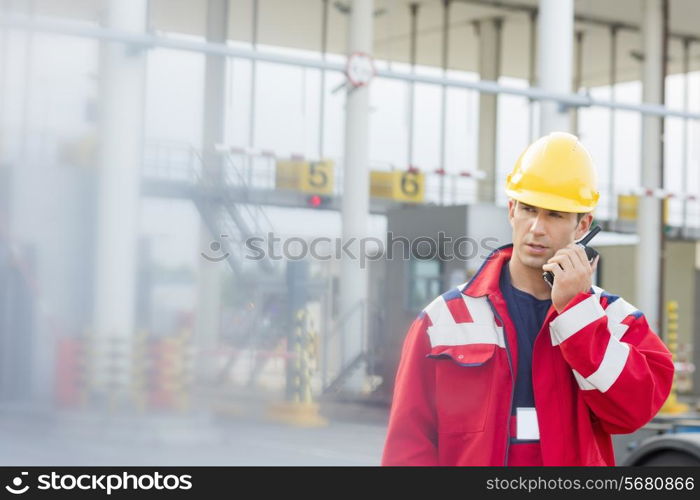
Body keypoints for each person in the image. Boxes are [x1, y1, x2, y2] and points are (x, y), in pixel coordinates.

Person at [381, 132, 675, 466]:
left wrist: (578, 313)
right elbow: (409, 445)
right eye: (528, 209)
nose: (536, 227)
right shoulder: (444, 320)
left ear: (583, 226)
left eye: (555, 215)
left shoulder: (616, 320)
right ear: (511, 210)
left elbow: (632, 413)